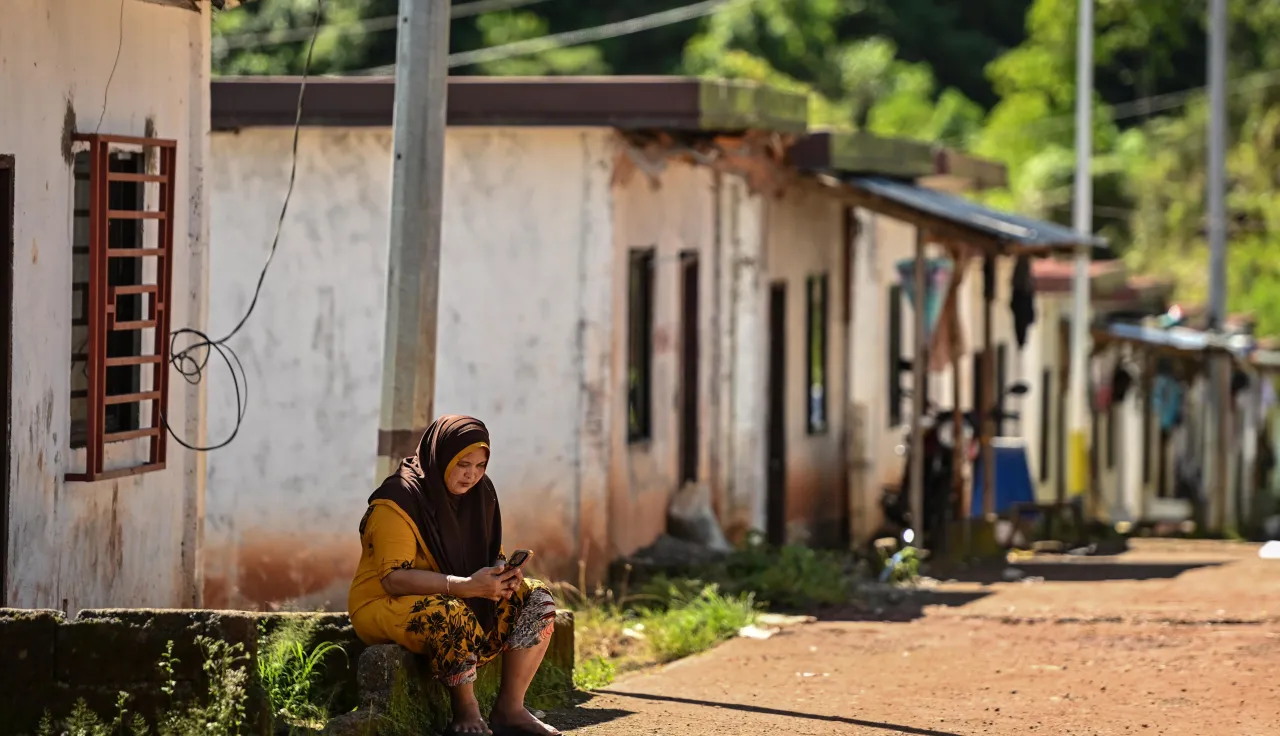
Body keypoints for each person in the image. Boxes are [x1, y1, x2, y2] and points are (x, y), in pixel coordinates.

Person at [348, 415, 560, 736]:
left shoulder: (479, 494)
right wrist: (466, 586)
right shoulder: (398, 501)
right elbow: (393, 579)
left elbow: (489, 555)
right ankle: (466, 712)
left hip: (460, 594)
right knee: (448, 612)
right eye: (463, 464)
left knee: (537, 597)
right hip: (384, 603)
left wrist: (502, 578)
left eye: (480, 465)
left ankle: (510, 709)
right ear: (441, 456)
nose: (471, 475)